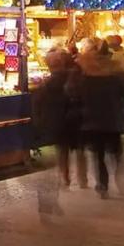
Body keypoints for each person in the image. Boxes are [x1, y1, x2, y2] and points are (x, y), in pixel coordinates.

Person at [76, 39, 124, 199]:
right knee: (116, 152)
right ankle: (121, 181)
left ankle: (102, 185)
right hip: (112, 116)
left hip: (92, 119)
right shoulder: (116, 71)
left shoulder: (85, 72)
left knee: (98, 154)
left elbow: (76, 93)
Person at [35, 47, 86, 190]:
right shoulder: (75, 76)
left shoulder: (48, 83)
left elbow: (40, 101)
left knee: (63, 151)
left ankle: (65, 178)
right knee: (79, 149)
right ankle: (83, 178)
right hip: (75, 118)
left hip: (59, 120)